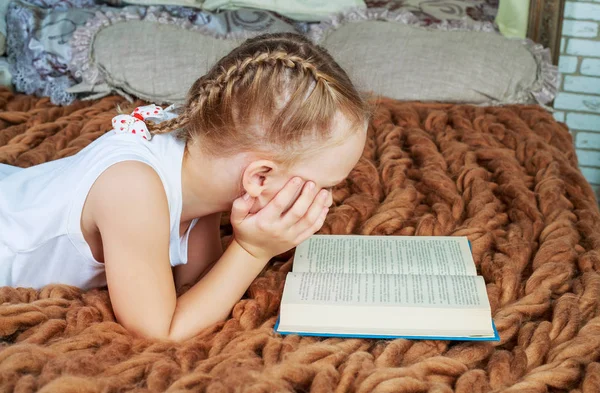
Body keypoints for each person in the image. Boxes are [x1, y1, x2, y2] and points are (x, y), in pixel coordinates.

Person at [0, 33, 370, 341]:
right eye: (325, 185)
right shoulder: (134, 191)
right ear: (260, 178)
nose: (328, 199)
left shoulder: (202, 163)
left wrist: (245, 242)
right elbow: (161, 331)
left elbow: (197, 284)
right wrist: (252, 251)